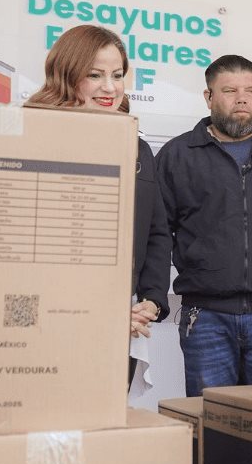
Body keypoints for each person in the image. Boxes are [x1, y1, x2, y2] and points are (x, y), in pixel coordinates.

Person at [155, 54, 252, 397]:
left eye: (250, 90)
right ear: (209, 97)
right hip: (207, 316)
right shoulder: (177, 155)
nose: (242, 98)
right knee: (212, 422)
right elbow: (158, 232)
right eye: (229, 90)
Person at [24, 25, 170, 385]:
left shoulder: (138, 149)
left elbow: (156, 232)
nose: (110, 88)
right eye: (95, 75)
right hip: (45, 326)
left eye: (117, 75)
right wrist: (95, 312)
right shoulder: (30, 135)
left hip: (123, 326)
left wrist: (149, 302)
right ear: (67, 74)